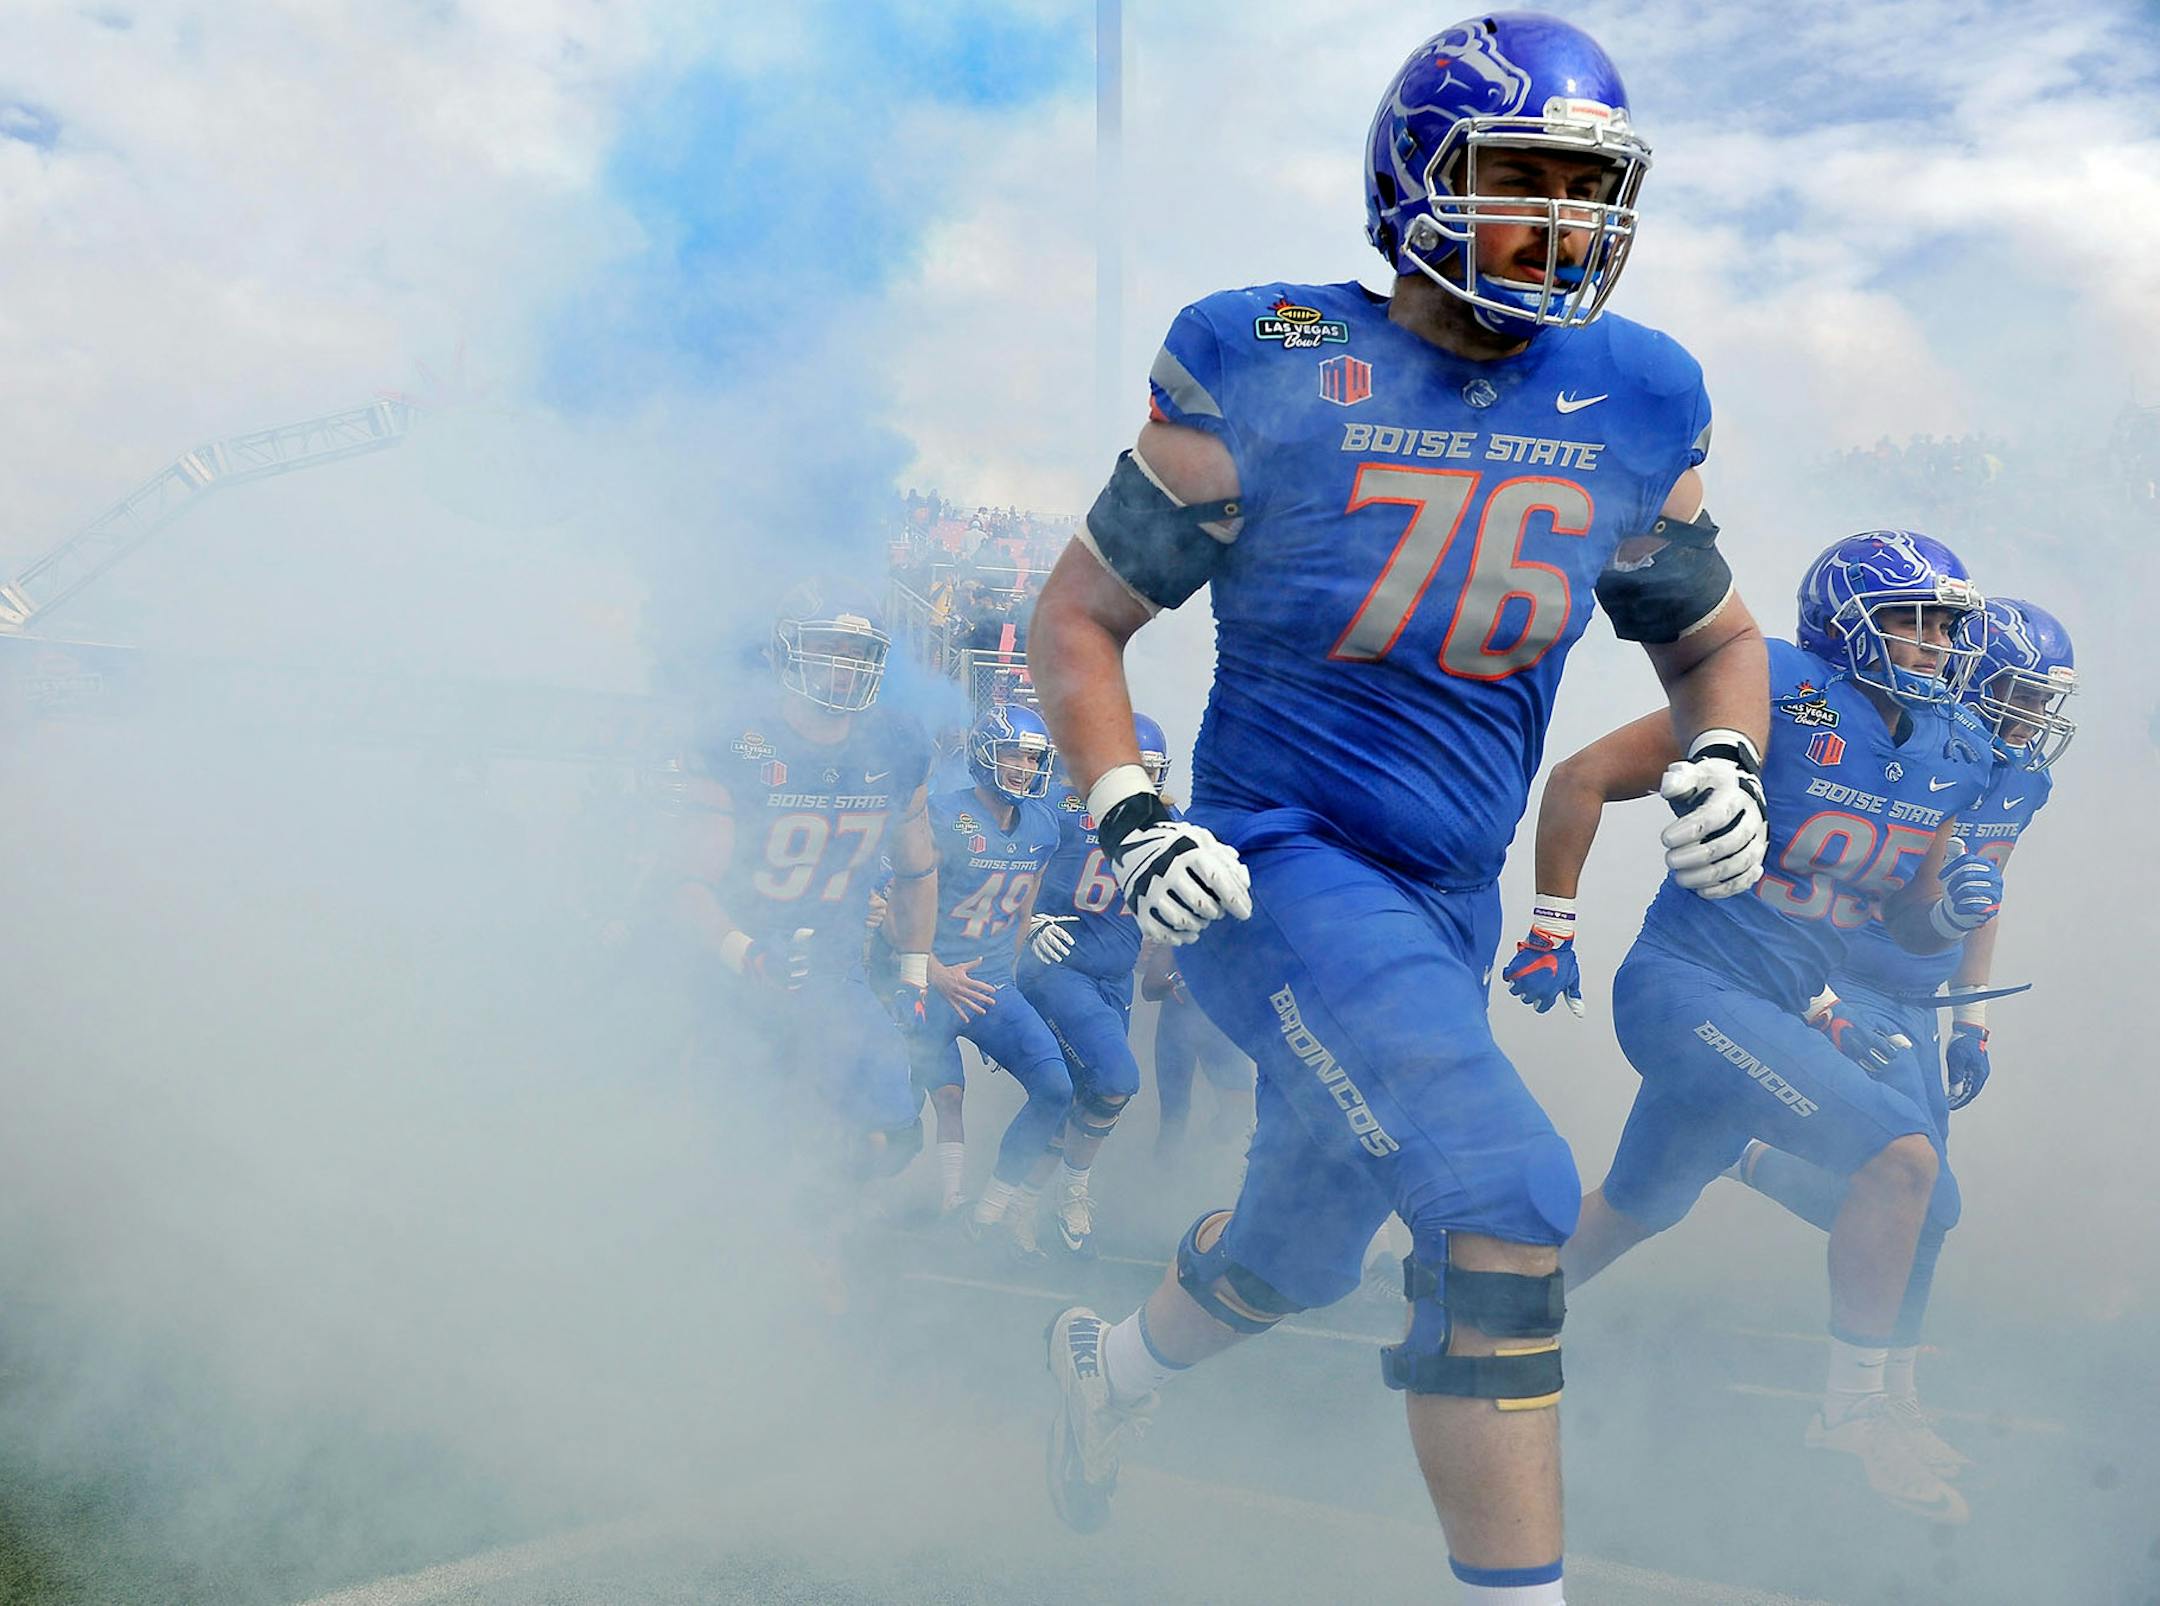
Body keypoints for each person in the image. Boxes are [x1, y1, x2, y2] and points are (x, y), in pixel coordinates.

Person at [1026, 16, 1771, 1601]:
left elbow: (1711, 637)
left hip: (1447, 890)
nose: (1565, 223)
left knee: (1302, 1242)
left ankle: (1109, 1373)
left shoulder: (1639, 395)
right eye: (1524, 179)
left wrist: (1728, 757)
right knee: (1500, 1195)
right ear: (1414, 176)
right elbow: (1080, 617)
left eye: (1591, 187)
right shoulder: (1266, 351)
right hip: (1274, 865)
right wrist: (1129, 810)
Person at [1509, 531, 2001, 1523]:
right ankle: (1853, 1413)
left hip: (1777, 1007)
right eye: (1911, 617)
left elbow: (1900, 919)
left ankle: (1479, 1320)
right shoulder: (1774, 683)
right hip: (1685, 986)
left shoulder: (1960, 750)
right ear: (1847, 619)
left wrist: (1947, 914)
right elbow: (1580, 775)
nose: (1935, 642)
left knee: (1640, 1205)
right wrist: (1552, 926)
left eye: (1946, 623)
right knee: (1903, 1164)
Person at [1730, 594, 2076, 1473]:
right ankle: (1750, 1159)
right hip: (1852, 984)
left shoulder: (2022, 777)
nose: (2033, 717)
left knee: (1932, 1217)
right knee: (1927, 1199)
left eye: (2043, 700)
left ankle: (1891, 1396)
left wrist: (1976, 1021)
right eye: (2019, 692)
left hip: (1921, 1007)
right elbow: (1822, 872)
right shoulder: (1927, 748)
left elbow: (1982, 900)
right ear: (1971, 675)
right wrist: (1815, 1001)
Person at [670, 578, 938, 1187]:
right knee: (735, 1148)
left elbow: (918, 868)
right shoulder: (738, 740)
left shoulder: (895, 743)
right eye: (827, 647)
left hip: (837, 973)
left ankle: (819, 1227)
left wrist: (915, 975)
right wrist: (748, 954)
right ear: (786, 650)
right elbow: (688, 884)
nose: (842, 667)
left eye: (855, 653)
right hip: (741, 976)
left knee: (894, 1133)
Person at [893, 705, 1071, 1247]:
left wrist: (1008, 980)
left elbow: (1021, 912)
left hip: (992, 983)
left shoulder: (1044, 822)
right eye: (1014, 753)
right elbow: (892, 905)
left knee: (1056, 1088)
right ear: (986, 753)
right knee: (939, 1096)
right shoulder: (944, 815)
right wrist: (934, 971)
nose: (1023, 767)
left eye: (1033, 757)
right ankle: (947, 1199)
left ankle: (988, 1213)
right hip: (933, 980)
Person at [1015, 714, 1174, 1259]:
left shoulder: (1168, 820)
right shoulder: (1057, 811)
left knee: (1086, 1096)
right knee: (1115, 1078)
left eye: (1147, 772)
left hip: (1113, 982)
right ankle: (1070, 1192)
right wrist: (1026, 921)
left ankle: (1018, 1203)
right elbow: (1007, 871)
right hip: (1058, 968)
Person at [1140, 938, 1253, 1163]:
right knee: (1174, 1118)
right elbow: (1150, 987)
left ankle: (1196, 1165)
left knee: (1239, 1114)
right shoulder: (1182, 925)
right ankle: (1161, 1181)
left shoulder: (1246, 928)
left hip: (1223, 1028)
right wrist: (1178, 979)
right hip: (1178, 1024)